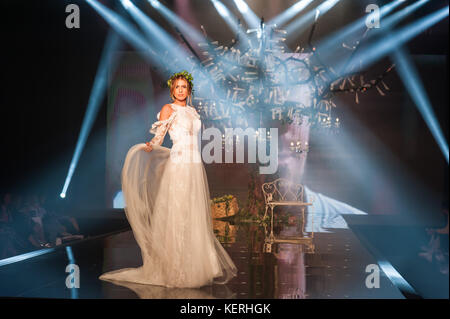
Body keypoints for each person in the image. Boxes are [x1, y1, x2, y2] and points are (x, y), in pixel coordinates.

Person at [99, 71, 237, 288]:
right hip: (180, 164)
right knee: (177, 213)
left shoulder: (192, 111)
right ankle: (175, 269)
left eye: (184, 87)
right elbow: (160, 135)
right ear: (172, 89)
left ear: (189, 90)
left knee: (193, 214)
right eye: (177, 87)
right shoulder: (168, 109)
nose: (181, 90)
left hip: (194, 165)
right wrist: (151, 145)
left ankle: (197, 266)